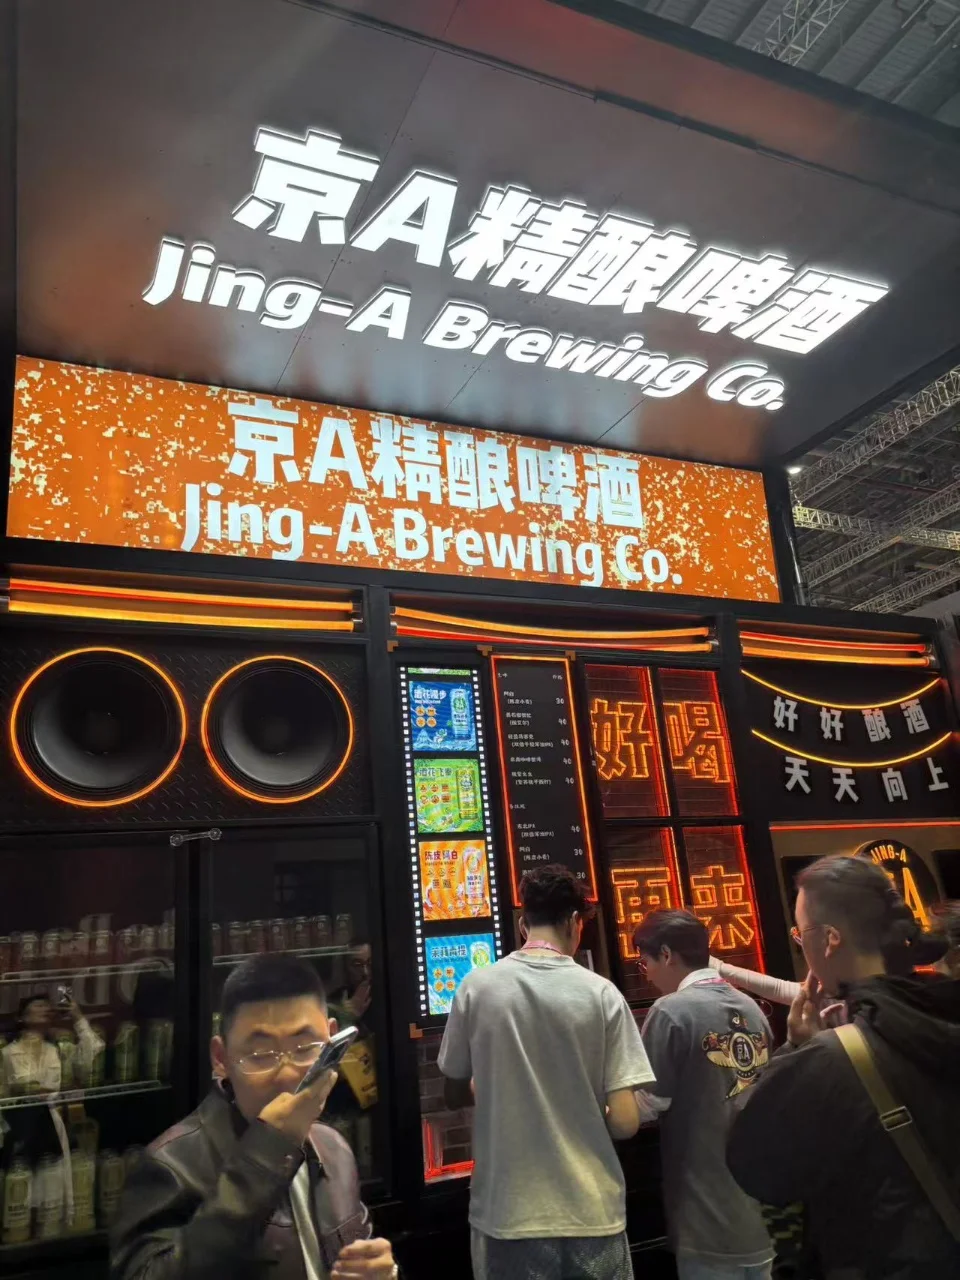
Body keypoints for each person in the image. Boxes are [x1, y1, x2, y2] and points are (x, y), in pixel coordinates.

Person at [727, 855, 960, 1279]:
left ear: (830, 939)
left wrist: (795, 1051)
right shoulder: (941, 1011)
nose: (801, 946)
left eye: (801, 934)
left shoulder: (832, 1058)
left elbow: (757, 1168)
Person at [111, 954, 397, 1280]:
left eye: (306, 1048)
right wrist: (268, 1150)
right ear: (221, 1058)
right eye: (261, 1055)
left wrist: (384, 1273)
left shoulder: (333, 1148)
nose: (287, 1074)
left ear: (331, 1039)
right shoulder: (172, 1165)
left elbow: (359, 1256)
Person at [438, 864, 654, 1280]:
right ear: (574, 922)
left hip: (508, 1214)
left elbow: (453, 1093)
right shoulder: (602, 994)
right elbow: (625, 1123)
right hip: (593, 1213)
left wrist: (495, 1086)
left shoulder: (476, 987)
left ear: (524, 924)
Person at [633, 910, 774, 1280]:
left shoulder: (670, 1011)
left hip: (705, 1220)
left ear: (666, 954)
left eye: (645, 961)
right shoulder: (753, 1009)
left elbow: (646, 1106)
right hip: (758, 1215)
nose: (646, 973)